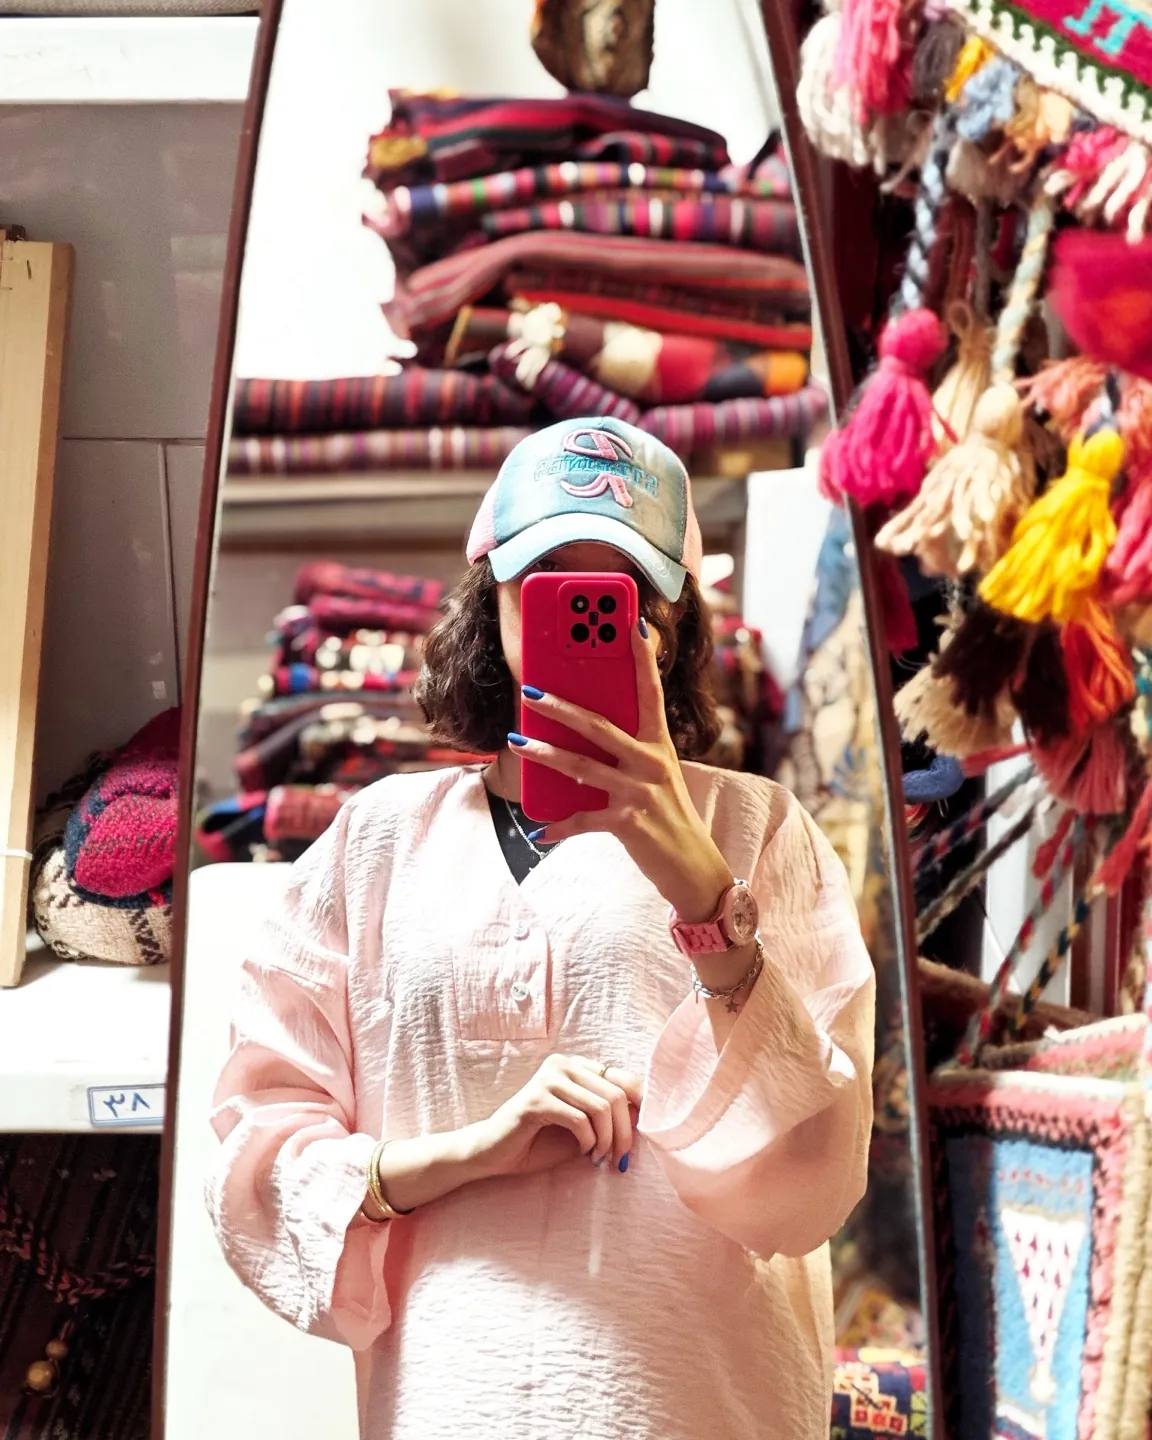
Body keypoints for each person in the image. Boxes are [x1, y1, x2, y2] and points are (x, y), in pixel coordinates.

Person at [206, 416, 876, 1440]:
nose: (586, 613)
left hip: (700, 1403)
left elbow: (814, 1182)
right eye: (550, 583)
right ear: (495, 603)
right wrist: (470, 1152)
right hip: (448, 1403)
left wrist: (705, 895)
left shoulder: (759, 831)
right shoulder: (376, 844)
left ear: (668, 625)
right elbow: (257, 1165)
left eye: (621, 593)